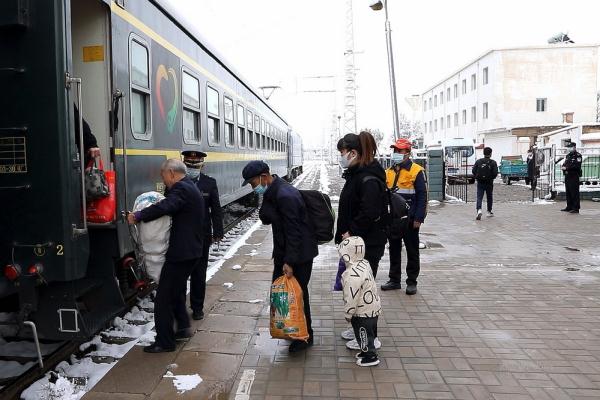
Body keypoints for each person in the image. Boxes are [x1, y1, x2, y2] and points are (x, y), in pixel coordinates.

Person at [127, 159, 205, 353]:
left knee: (163, 298)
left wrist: (137, 216)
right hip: (191, 251)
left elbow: (165, 207)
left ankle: (165, 342)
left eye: (163, 176)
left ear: (171, 173)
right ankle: (183, 327)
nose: (164, 180)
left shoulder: (182, 189)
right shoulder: (190, 187)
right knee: (175, 291)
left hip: (181, 254)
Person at [242, 160, 318, 352]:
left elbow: (293, 232)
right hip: (287, 252)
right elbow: (266, 219)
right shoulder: (274, 192)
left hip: (298, 255)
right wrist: (265, 199)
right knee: (287, 294)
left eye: (253, 183)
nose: (253, 187)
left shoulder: (285, 195)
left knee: (298, 294)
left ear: (264, 177)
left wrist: (289, 262)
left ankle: (304, 337)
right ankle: (294, 330)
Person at [335, 131, 386, 351]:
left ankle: (370, 337)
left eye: (342, 152)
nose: (341, 156)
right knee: (354, 289)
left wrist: (351, 231)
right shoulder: (357, 174)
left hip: (366, 244)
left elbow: (370, 211)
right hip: (357, 245)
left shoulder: (367, 178)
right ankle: (358, 329)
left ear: (353, 153)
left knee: (364, 293)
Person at [381, 138, 427, 295]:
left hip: (410, 219)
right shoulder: (389, 171)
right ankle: (394, 280)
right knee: (394, 249)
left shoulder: (416, 171)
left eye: (399, 151)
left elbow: (422, 197)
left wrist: (419, 218)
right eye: (395, 151)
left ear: (408, 153)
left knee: (412, 250)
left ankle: (412, 281)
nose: (396, 154)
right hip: (393, 219)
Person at [182, 150, 224, 320]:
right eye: (189, 164)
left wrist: (218, 231)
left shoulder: (209, 183)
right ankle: (178, 306)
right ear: (184, 164)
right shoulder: (177, 182)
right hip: (182, 236)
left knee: (199, 273)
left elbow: (216, 209)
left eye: (195, 164)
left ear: (202, 165)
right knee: (181, 273)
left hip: (202, 236)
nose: (192, 167)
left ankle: (197, 307)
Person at [339, 236, 382, 367]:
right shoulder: (365, 263)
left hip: (362, 312)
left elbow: (351, 297)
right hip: (373, 307)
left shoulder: (351, 275)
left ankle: (370, 356)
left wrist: (348, 314)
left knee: (363, 334)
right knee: (369, 333)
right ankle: (366, 352)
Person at [472, 147, 498, 220]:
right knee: (489, 197)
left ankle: (479, 210)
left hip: (480, 182)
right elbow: (495, 173)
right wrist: (491, 178)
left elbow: (474, 171)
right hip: (489, 182)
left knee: (479, 196)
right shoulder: (493, 162)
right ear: (490, 154)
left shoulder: (478, 161)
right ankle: (489, 211)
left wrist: (477, 177)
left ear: (483, 153)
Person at [561, 142, 582, 214]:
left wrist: (566, 168)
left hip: (574, 176)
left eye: (570, 147)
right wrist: (563, 167)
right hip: (568, 176)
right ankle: (569, 206)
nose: (569, 148)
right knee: (568, 192)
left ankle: (576, 208)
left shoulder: (578, 156)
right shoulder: (568, 156)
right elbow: (565, 163)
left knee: (574, 192)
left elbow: (576, 166)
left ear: (574, 147)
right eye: (568, 147)